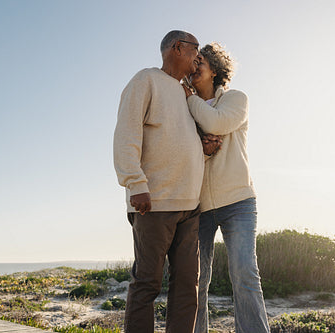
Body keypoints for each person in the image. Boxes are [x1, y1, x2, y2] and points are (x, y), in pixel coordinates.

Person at [113, 30, 205, 333]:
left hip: (189, 205)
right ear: (177, 48)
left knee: (187, 286)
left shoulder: (186, 92)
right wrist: (135, 183)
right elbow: (127, 133)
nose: (198, 57)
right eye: (195, 49)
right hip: (154, 202)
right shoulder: (146, 80)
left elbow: (179, 140)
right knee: (147, 284)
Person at [182, 43, 271, 333]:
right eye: (192, 63)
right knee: (197, 282)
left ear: (216, 71)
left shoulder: (236, 99)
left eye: (200, 63)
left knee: (245, 275)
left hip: (238, 202)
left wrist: (190, 100)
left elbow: (216, 122)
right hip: (199, 206)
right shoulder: (185, 109)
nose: (194, 67)